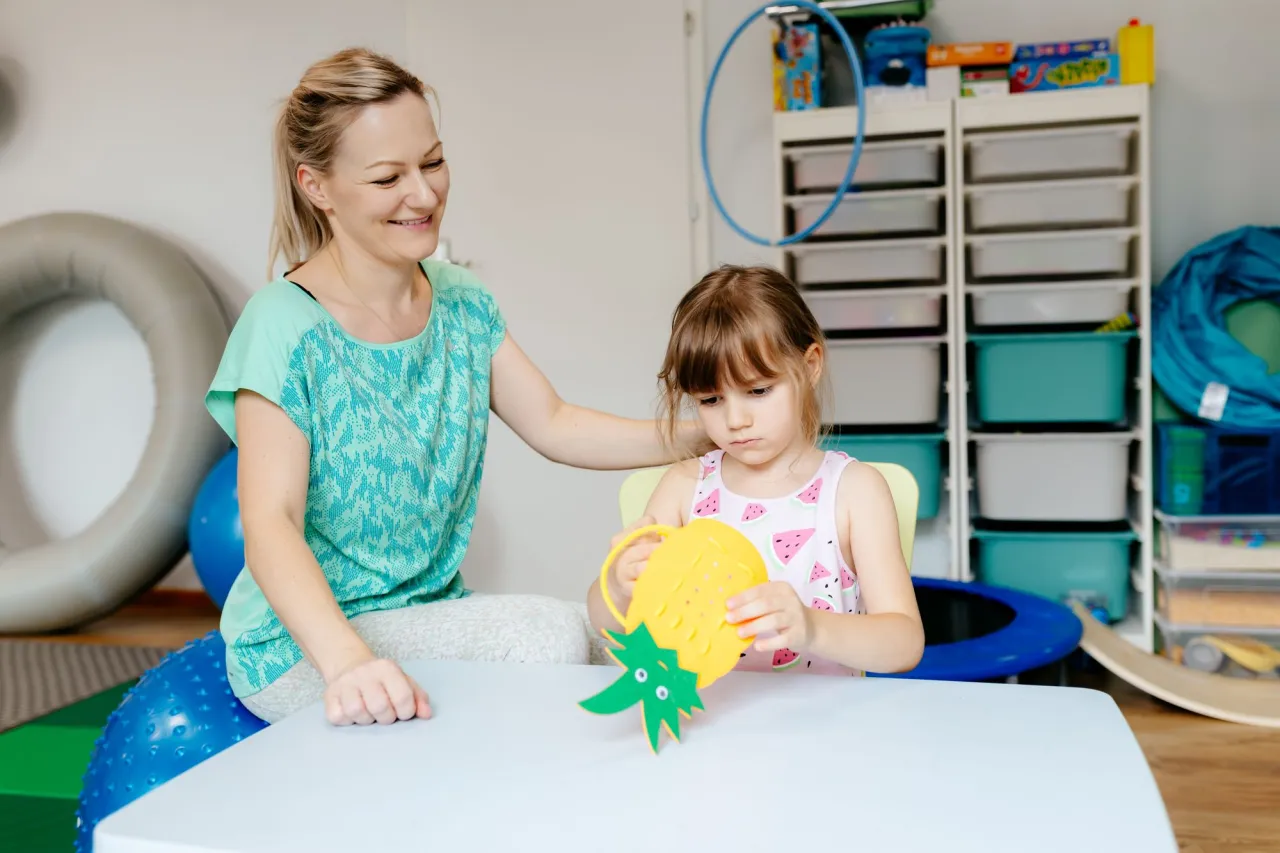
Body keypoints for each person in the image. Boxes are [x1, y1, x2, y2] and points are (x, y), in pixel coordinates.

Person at [204, 47, 705, 727]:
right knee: (550, 640)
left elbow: (554, 422)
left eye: (433, 162)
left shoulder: (462, 304)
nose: (424, 194)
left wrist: (701, 435)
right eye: (388, 177)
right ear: (316, 186)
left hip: (426, 616)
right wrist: (348, 661)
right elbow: (270, 523)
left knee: (608, 640)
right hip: (304, 646)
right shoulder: (283, 328)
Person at [586, 265, 925, 677]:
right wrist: (620, 590)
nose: (735, 419)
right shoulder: (683, 488)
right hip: (711, 723)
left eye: (758, 391)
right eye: (711, 400)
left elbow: (904, 643)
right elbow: (610, 630)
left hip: (829, 728)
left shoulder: (854, 491)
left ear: (811, 365)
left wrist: (812, 627)